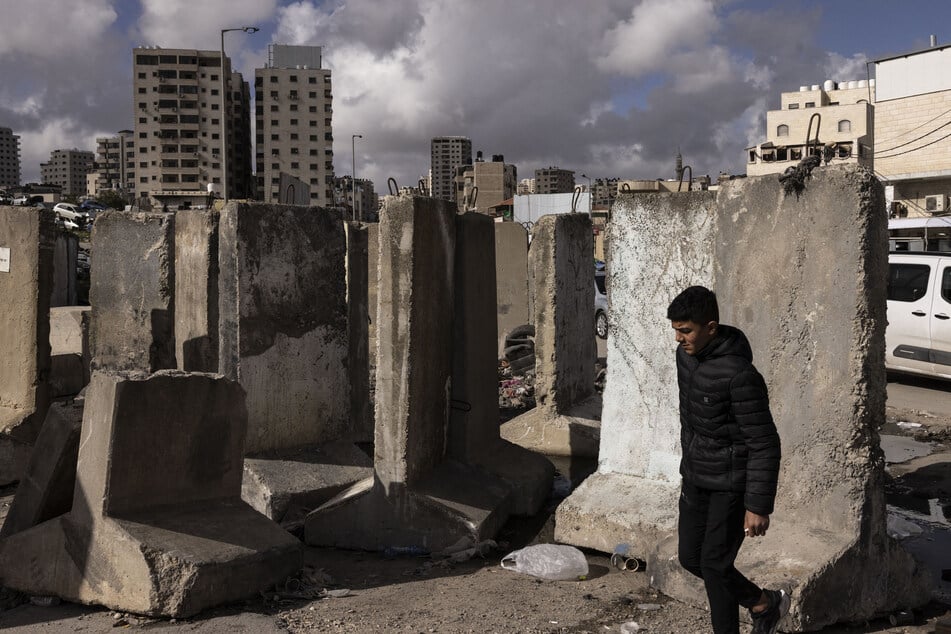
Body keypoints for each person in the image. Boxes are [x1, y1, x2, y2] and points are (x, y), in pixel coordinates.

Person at [667, 285, 789, 634]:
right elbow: (689, 420)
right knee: (692, 559)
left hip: (731, 486)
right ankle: (763, 603)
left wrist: (758, 505)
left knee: (716, 564)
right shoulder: (685, 357)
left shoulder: (740, 375)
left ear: (711, 326)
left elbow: (765, 442)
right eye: (676, 330)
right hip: (696, 478)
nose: (679, 338)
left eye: (686, 330)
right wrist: (688, 466)